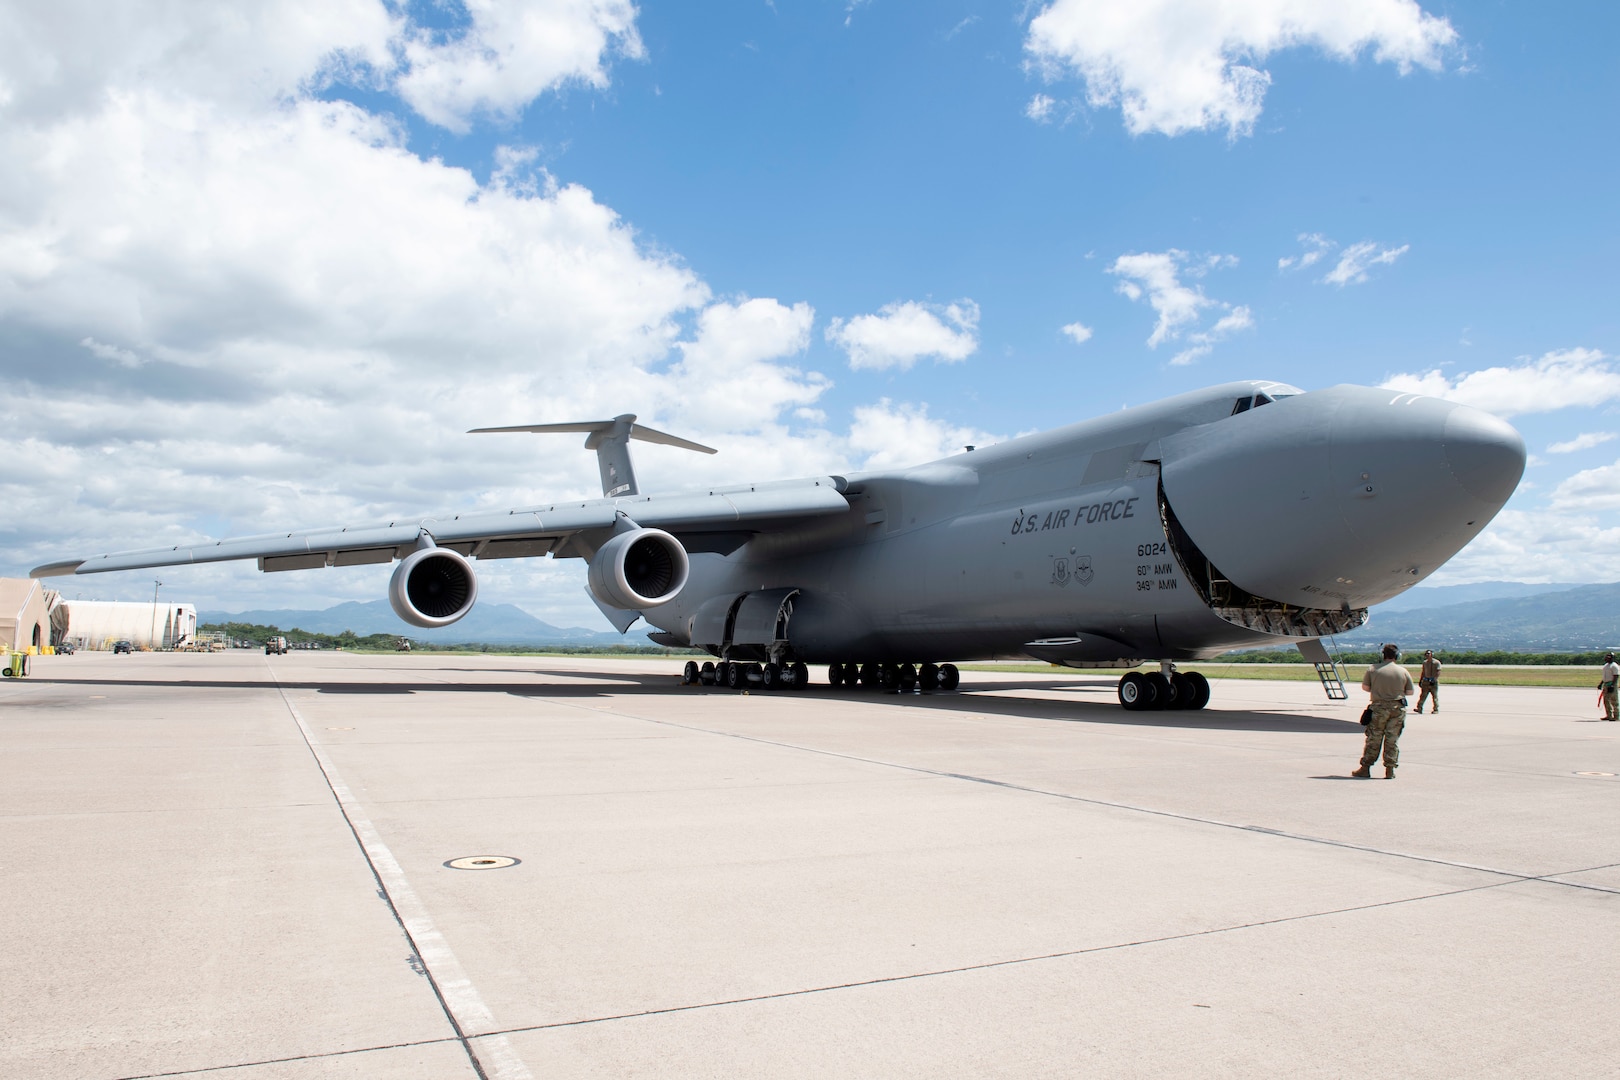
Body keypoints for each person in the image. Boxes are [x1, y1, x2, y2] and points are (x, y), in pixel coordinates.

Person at [1354, 643, 1414, 779]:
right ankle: (1390, 770)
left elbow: (1365, 687)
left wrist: (1379, 690)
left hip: (1379, 708)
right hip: (1397, 709)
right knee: (1392, 740)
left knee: (1374, 739)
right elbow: (1410, 692)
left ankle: (1365, 768)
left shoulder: (1373, 669)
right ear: (1397, 656)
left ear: (1383, 655)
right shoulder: (1403, 671)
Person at [1413, 650, 1442, 714]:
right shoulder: (1425, 663)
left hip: (1433, 682)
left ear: (1432, 654)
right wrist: (1421, 680)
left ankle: (1436, 709)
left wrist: (1434, 680)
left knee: (1434, 696)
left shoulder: (1436, 662)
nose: (1427, 655)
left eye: (1428, 654)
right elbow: (1423, 672)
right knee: (1423, 696)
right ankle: (1419, 708)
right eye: (1426, 654)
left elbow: (1438, 672)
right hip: (1426, 681)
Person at [1600, 653, 1619, 722]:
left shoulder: (1614, 666)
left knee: (1614, 700)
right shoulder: (1606, 666)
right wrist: (1601, 684)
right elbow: (1605, 676)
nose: (1606, 658)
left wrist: (1613, 685)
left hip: (1612, 684)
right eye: (1606, 657)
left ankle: (1616, 716)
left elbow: (1616, 676)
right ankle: (1609, 715)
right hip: (1606, 684)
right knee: (1606, 700)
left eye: (1608, 657)